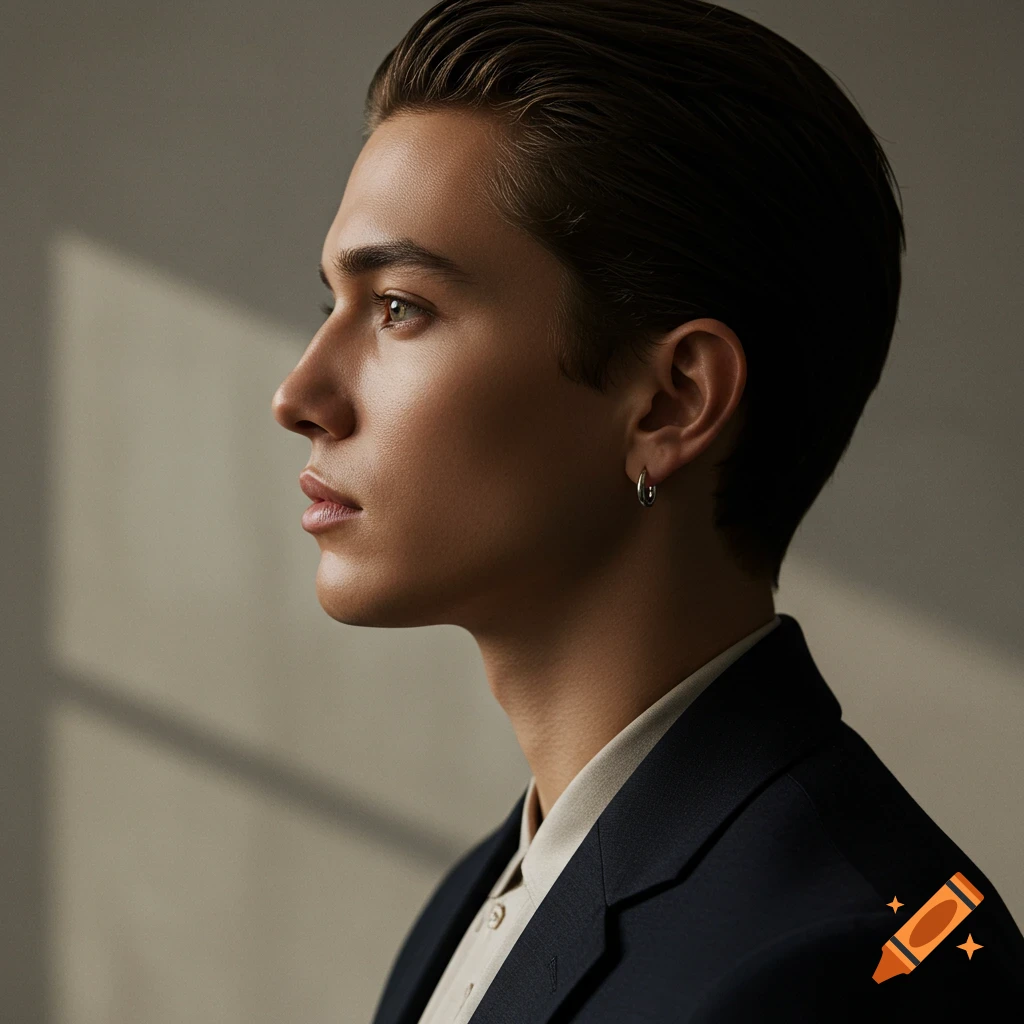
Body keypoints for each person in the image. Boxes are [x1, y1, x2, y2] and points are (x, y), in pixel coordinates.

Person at [271, 1, 1024, 1019]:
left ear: (673, 400)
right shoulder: (485, 898)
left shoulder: (840, 961)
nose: (300, 395)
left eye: (400, 307)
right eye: (333, 307)